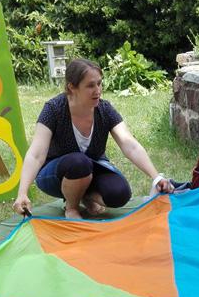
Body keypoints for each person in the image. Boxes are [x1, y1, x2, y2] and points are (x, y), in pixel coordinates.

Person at [12, 58, 172, 218]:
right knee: (79, 162)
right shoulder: (54, 109)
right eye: (90, 85)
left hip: (91, 168)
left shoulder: (104, 109)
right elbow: (36, 154)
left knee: (119, 194)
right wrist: (22, 193)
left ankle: (83, 195)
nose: (98, 90)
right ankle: (71, 208)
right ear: (72, 87)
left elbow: (130, 145)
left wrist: (156, 177)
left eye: (99, 83)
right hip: (54, 174)